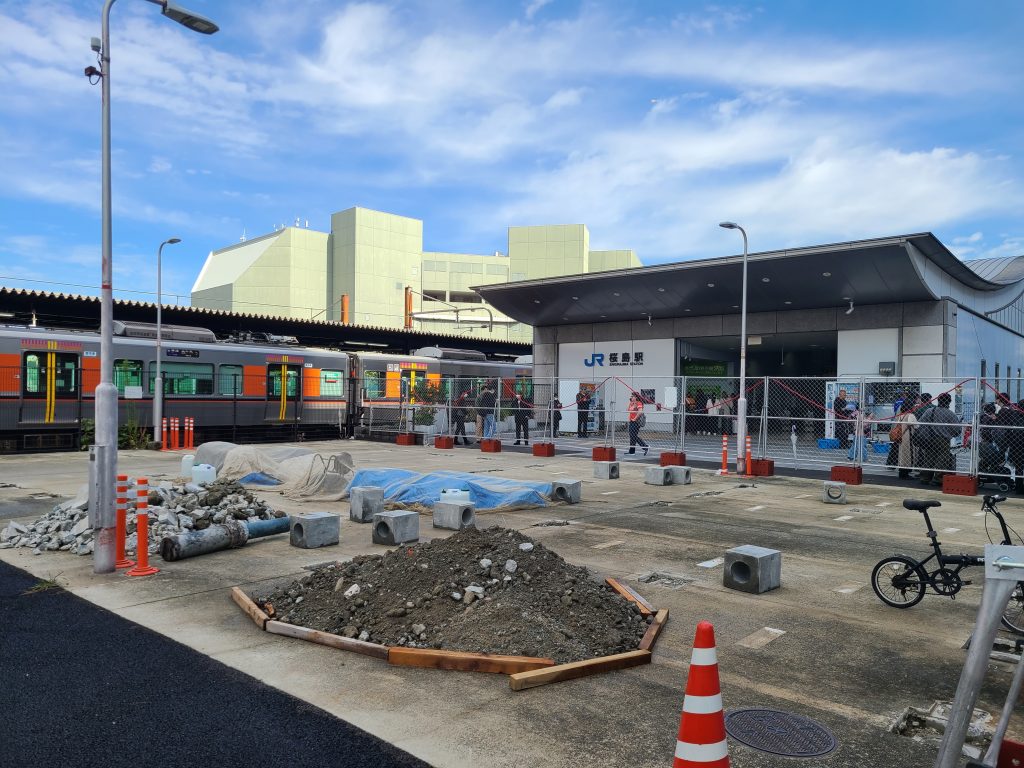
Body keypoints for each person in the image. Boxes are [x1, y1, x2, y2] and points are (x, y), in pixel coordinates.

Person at [916, 392, 959, 485]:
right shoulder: (951, 414)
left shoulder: (929, 411)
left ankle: (925, 477)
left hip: (929, 439)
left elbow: (920, 423)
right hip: (943, 440)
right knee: (943, 458)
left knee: (929, 457)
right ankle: (937, 479)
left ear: (938, 400)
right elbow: (957, 430)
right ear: (949, 402)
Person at [627, 391, 649, 456]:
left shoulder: (639, 403)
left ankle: (645, 446)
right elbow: (627, 409)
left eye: (632, 396)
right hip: (631, 421)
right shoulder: (632, 403)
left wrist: (635, 418)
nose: (631, 397)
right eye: (631, 396)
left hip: (635, 422)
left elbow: (640, 411)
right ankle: (632, 451)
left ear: (636, 397)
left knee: (633, 436)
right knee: (632, 436)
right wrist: (630, 402)